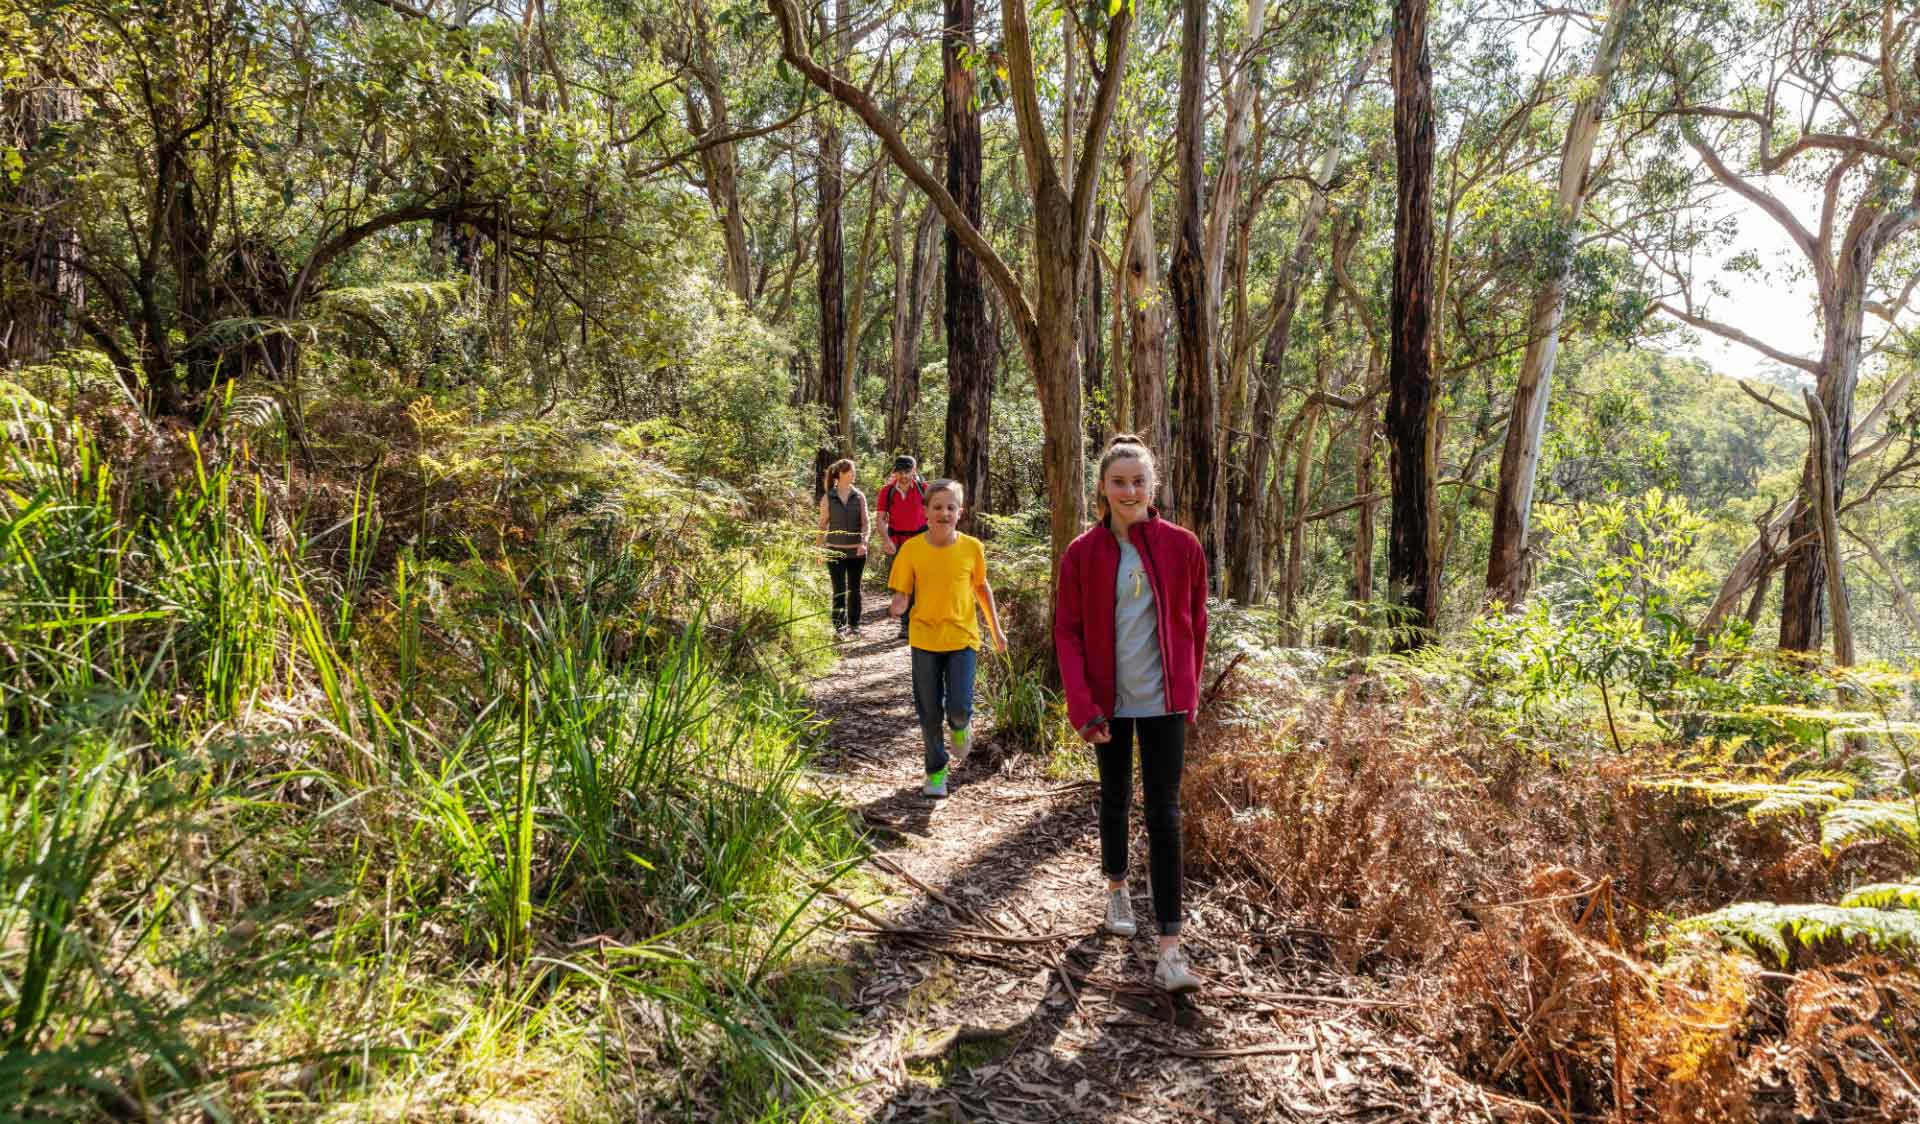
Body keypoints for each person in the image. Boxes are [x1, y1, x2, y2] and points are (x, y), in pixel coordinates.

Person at [1053, 434, 1208, 994]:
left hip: (1165, 701)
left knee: (1165, 814)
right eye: (1118, 481)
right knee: (1115, 797)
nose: (1129, 491)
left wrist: (1189, 690)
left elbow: (1196, 621)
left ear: (1152, 485)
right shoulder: (1082, 553)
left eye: (1138, 481)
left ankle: (1170, 949)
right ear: (1102, 487)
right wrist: (1083, 705)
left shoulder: (1182, 546)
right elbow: (1068, 633)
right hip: (1108, 704)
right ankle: (1116, 888)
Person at [887, 479, 1006, 799]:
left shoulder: (972, 548)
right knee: (929, 712)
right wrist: (897, 605)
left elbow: (981, 588)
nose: (944, 513)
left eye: (951, 507)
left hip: (962, 638)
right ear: (925, 511)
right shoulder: (912, 550)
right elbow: (903, 592)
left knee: (958, 707)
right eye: (937, 507)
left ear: (960, 512)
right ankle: (936, 772)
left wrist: (996, 630)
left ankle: (961, 725)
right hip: (924, 639)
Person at [875, 455, 928, 640]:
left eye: (907, 472)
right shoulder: (887, 491)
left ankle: (920, 622)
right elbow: (880, 519)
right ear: (895, 472)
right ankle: (906, 625)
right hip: (898, 542)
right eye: (900, 472)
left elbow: (934, 516)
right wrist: (886, 540)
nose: (903, 476)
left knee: (922, 584)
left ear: (914, 471)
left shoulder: (924, 489)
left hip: (921, 541)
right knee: (904, 583)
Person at [816, 459, 869, 639]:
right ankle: (839, 628)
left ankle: (854, 625)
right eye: (851, 472)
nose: (854, 474)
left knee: (854, 589)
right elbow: (822, 525)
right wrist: (818, 549)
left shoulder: (859, 496)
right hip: (834, 551)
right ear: (840, 474)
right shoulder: (828, 497)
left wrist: (863, 542)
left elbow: (866, 523)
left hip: (857, 552)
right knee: (839, 589)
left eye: (854, 471)